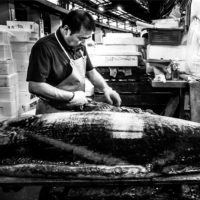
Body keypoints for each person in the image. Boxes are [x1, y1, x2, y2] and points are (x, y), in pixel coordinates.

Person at [26, 9, 121, 114]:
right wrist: (71, 96)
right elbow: (35, 86)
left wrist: (106, 88)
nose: (83, 42)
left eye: (86, 38)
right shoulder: (44, 47)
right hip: (51, 111)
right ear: (66, 29)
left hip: (74, 109)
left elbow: (91, 72)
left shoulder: (80, 47)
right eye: (81, 38)